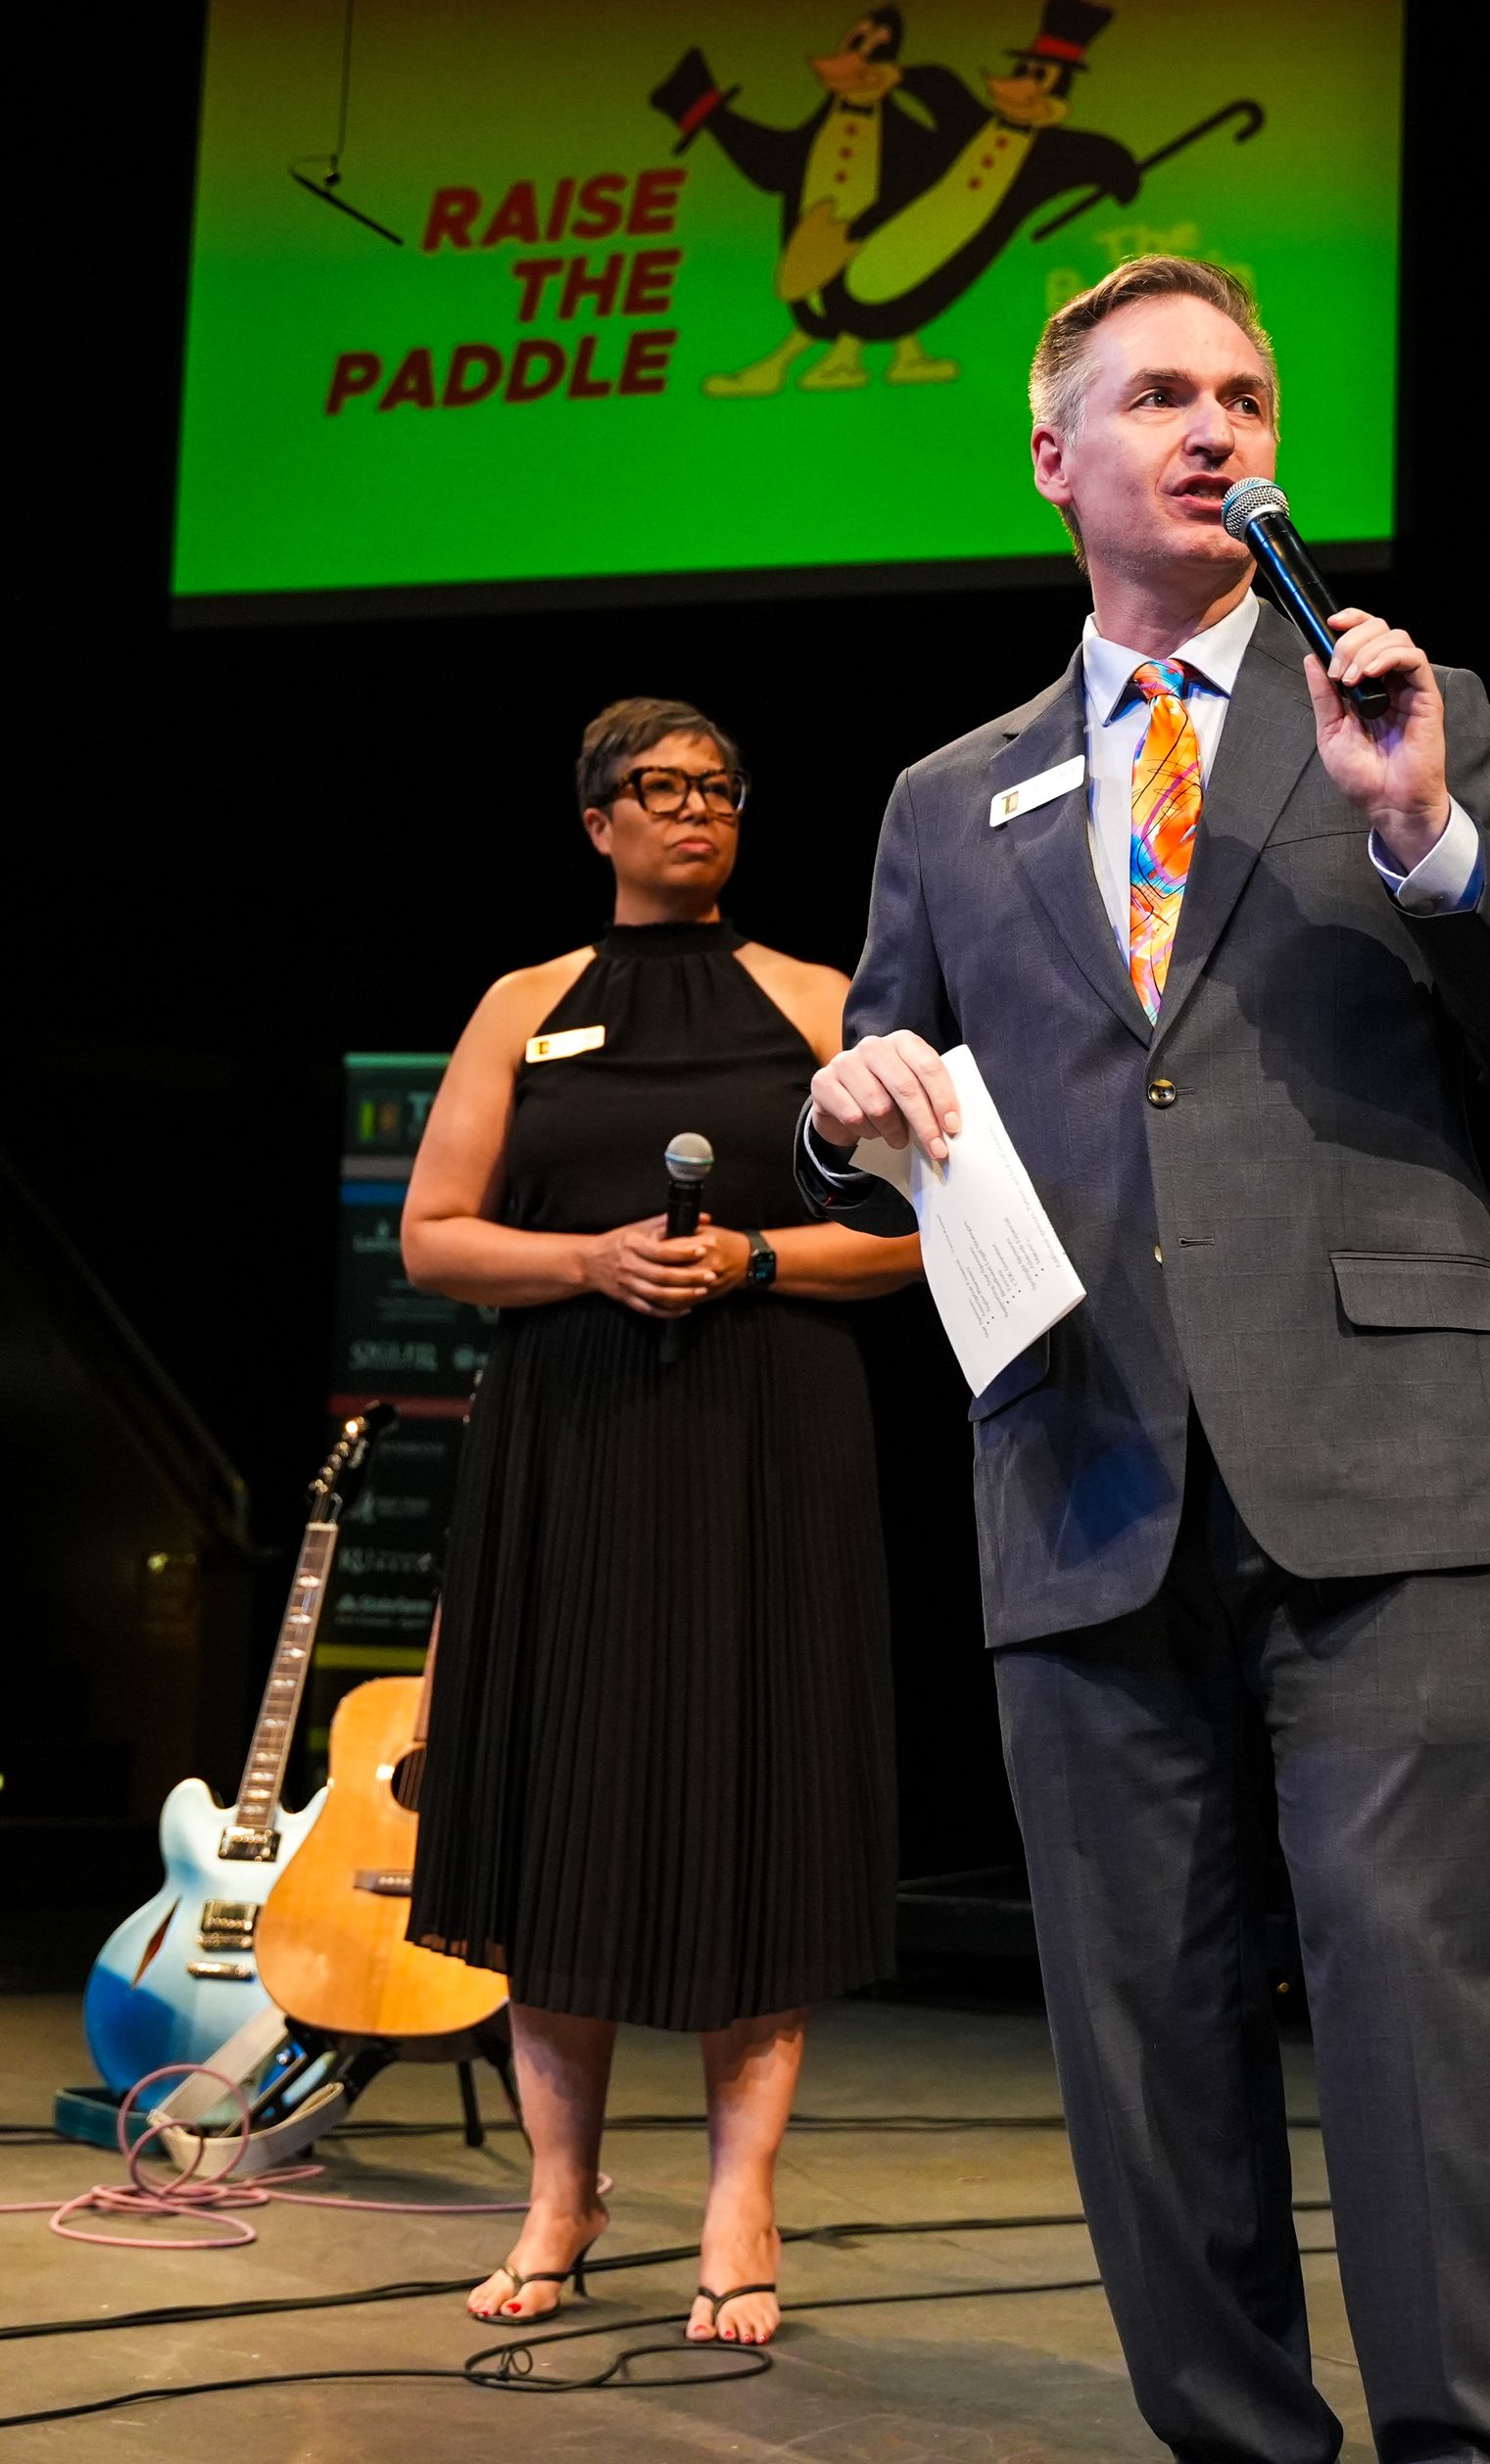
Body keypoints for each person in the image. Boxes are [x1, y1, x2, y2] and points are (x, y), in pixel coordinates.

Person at [795, 256, 1490, 2463]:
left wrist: (1424, 834)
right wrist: (846, 1114)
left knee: (1419, 2016)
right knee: (1141, 2043)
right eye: (1161, 394)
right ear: (1055, 457)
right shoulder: (945, 793)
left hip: (1389, 1461)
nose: (1217, 427)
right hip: (1081, 1465)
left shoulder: (1401, 717)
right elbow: (885, 1069)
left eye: (1246, 397)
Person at [404, 696, 920, 2345]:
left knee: (752, 1802)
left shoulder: (823, 1003)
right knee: (560, 1818)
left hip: (770, 1447)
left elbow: (919, 1243)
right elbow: (432, 1236)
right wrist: (591, 1260)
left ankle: (738, 2194)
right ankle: (559, 2197)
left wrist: (754, 1258)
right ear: (597, 821)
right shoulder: (522, 1005)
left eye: (716, 788)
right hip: (571, 1445)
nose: (691, 811)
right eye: (656, 789)